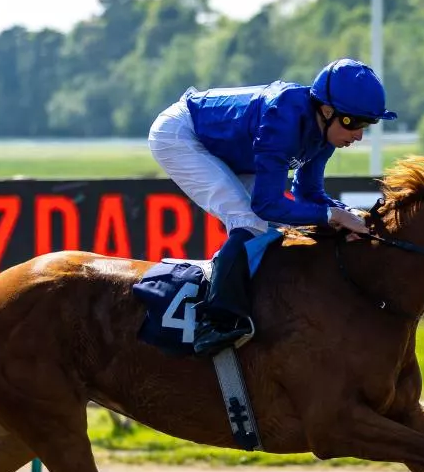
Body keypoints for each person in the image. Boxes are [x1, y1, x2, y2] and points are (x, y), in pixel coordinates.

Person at [147, 58, 397, 356]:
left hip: (226, 147)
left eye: (366, 125)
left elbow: (307, 194)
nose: (358, 134)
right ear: (327, 111)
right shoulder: (284, 119)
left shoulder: (324, 135)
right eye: (351, 122)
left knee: (262, 225)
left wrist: (345, 213)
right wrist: (334, 215)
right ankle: (214, 320)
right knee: (248, 220)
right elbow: (267, 204)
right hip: (179, 134)